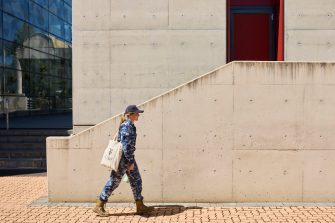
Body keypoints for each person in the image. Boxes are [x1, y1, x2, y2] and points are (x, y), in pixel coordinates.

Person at [93, 105, 154, 216]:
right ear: (130, 114)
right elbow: (126, 146)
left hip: (128, 158)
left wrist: (131, 160)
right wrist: (130, 162)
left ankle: (140, 205)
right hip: (124, 160)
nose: (138, 115)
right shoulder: (127, 126)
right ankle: (99, 204)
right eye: (136, 113)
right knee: (113, 182)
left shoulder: (129, 125)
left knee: (136, 181)